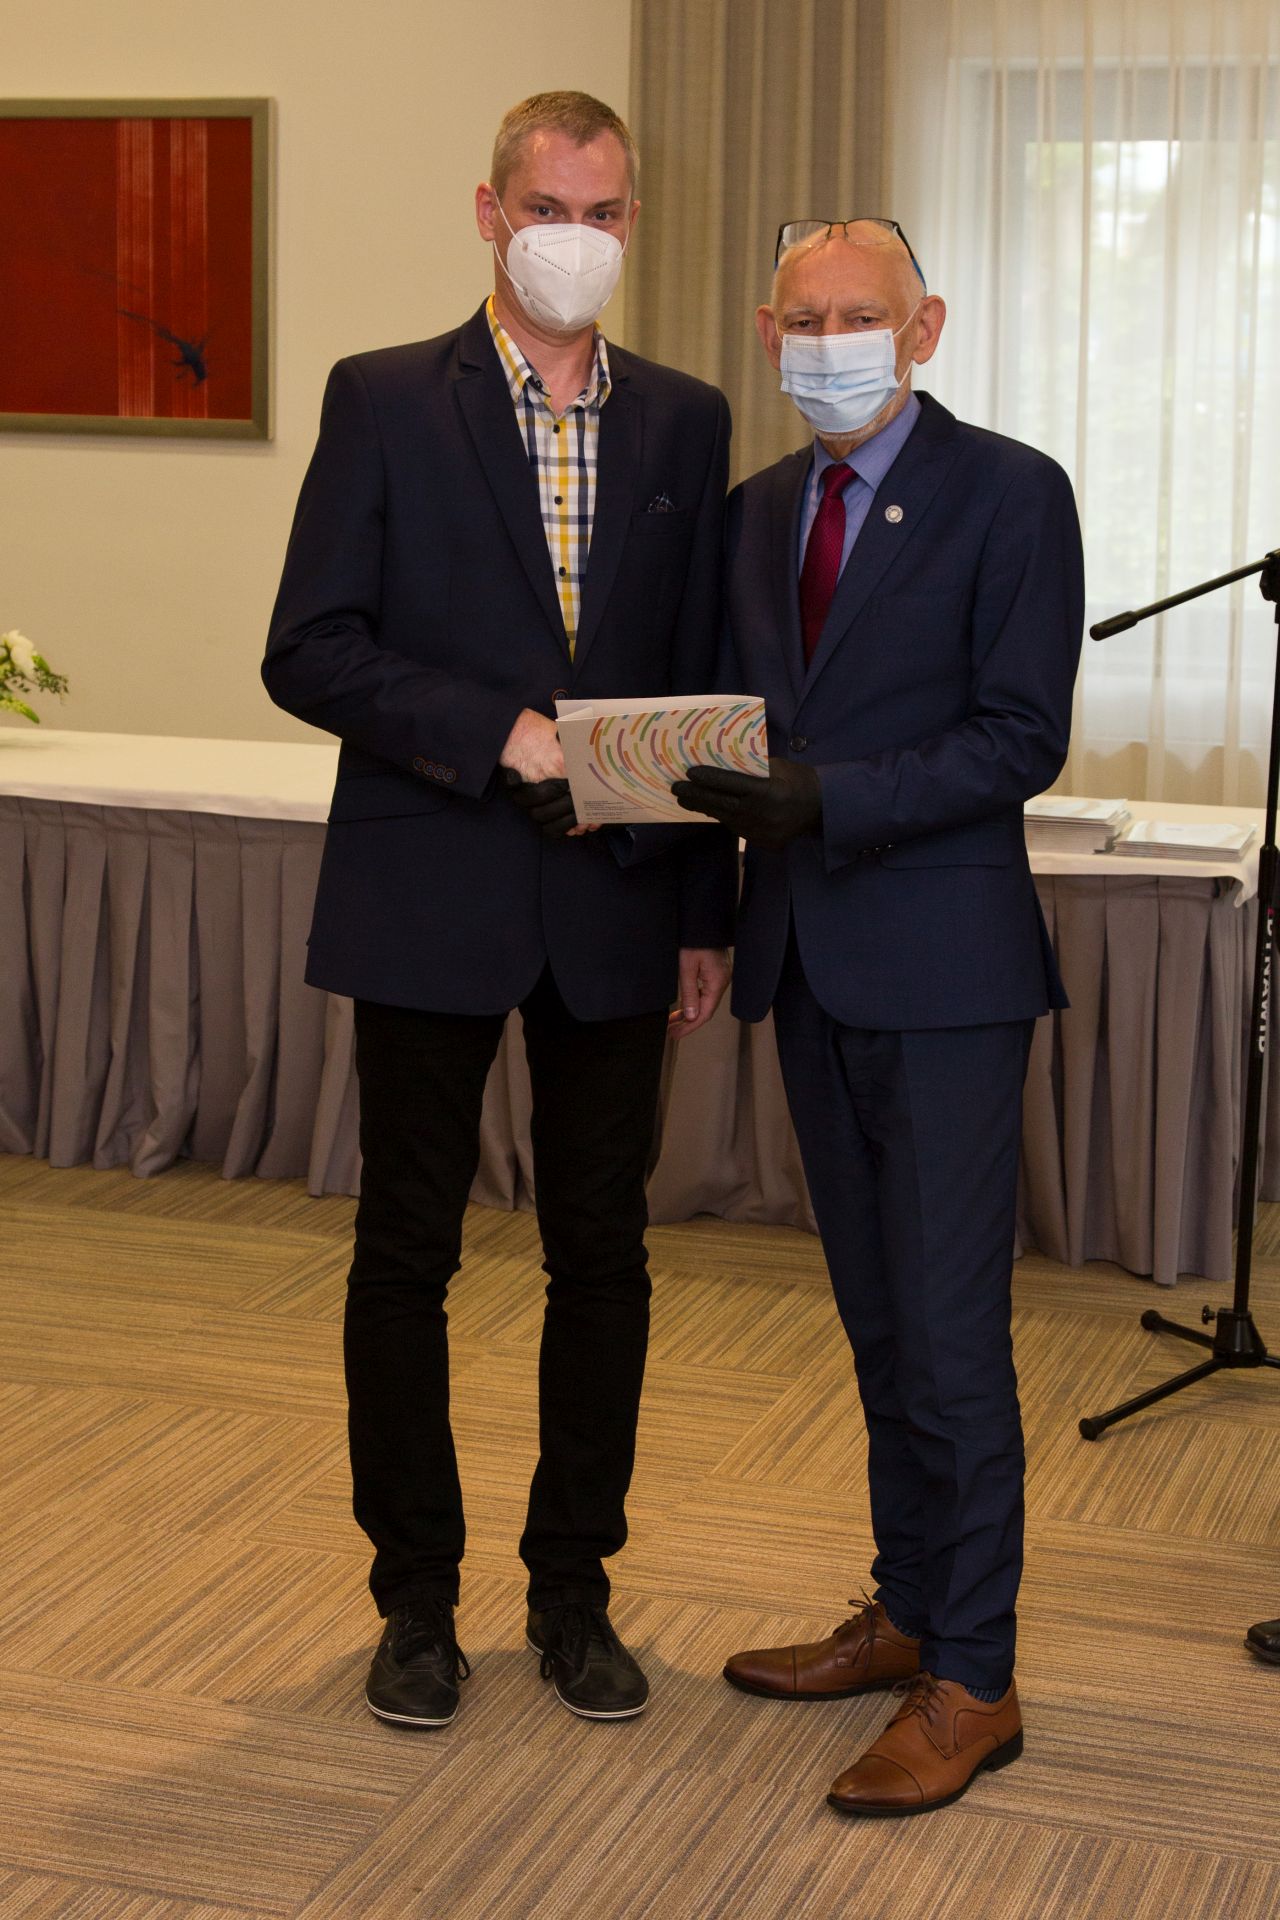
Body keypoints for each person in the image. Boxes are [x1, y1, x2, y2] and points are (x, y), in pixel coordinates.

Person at [263, 91, 734, 1732]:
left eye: (603, 214)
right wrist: (497, 733)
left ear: (630, 225)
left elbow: (700, 682)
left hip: (621, 901)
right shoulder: (385, 397)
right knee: (407, 1251)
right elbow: (309, 648)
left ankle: (573, 1594)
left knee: (604, 1257)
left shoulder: (686, 421)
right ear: (488, 212)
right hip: (431, 886)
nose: (574, 240)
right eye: (548, 208)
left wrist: (706, 906)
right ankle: (414, 1603)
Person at [673, 218, 1084, 1817]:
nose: (830, 340)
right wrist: (704, 907)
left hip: (947, 976)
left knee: (953, 1339)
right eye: (805, 317)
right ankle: (908, 1607)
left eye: (862, 314)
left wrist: (829, 799)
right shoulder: (756, 510)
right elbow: (721, 739)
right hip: (805, 965)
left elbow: (1020, 736)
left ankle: (975, 1677)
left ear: (925, 326)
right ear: (766, 327)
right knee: (878, 1325)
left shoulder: (1012, 492)